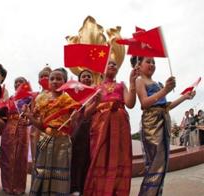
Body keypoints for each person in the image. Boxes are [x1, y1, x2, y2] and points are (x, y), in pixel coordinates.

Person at [133, 56, 195, 196]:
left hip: (164, 121)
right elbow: (144, 103)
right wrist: (166, 90)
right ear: (139, 65)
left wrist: (184, 96)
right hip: (152, 124)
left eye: (154, 62)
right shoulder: (139, 81)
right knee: (155, 165)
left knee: (163, 165)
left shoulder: (160, 84)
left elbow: (167, 106)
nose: (152, 64)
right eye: (148, 61)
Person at [83, 59, 139, 196]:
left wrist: (132, 82)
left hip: (120, 126)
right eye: (109, 63)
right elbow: (85, 113)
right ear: (102, 69)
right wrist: (96, 103)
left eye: (115, 63)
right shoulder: (96, 88)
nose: (113, 65)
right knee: (99, 157)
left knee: (120, 157)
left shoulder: (121, 85)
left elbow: (130, 103)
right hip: (99, 127)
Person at [24, 68, 80, 195]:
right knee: (41, 171)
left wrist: (74, 120)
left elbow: (73, 126)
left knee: (60, 172)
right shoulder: (41, 100)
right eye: (52, 78)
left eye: (59, 79)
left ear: (65, 82)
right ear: (48, 82)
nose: (55, 81)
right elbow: (40, 126)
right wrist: (30, 117)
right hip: (45, 139)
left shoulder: (70, 101)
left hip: (63, 142)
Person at [0, 76, 30, 195]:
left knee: (20, 158)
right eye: (16, 82)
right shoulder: (11, 99)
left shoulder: (30, 98)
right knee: (7, 156)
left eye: (21, 82)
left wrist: (28, 117)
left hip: (22, 128)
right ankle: (7, 185)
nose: (18, 84)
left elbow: (33, 114)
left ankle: (19, 187)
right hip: (8, 129)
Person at [70, 69, 94, 196]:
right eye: (83, 77)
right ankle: (75, 187)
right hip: (79, 128)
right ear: (79, 80)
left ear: (92, 79)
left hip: (94, 126)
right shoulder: (75, 94)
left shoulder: (96, 93)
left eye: (88, 76)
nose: (86, 78)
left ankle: (86, 186)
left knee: (89, 157)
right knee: (77, 157)